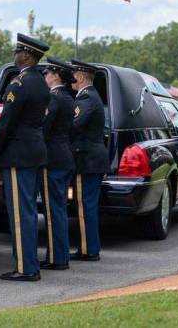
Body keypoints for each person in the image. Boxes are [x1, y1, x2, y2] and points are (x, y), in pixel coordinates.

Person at [0, 33, 50, 281]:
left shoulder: (20, 83)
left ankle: (25, 268)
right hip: (34, 151)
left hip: (18, 154)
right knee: (26, 210)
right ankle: (29, 264)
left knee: (20, 212)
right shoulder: (40, 82)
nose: (14, 55)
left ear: (26, 55)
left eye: (17, 51)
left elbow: (7, 121)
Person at [38, 58, 76, 270]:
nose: (45, 76)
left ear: (56, 75)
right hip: (64, 157)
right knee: (59, 209)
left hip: (53, 160)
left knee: (53, 211)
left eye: (47, 73)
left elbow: (44, 128)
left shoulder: (55, 98)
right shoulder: (68, 98)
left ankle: (56, 258)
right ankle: (60, 255)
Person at [69, 59, 107, 261]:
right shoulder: (90, 97)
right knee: (87, 205)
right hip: (91, 159)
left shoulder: (86, 99)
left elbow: (74, 125)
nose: (70, 79)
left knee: (85, 206)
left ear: (81, 77)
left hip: (87, 160)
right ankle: (89, 247)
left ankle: (88, 250)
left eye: (73, 75)